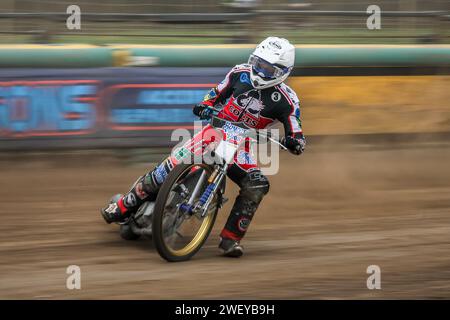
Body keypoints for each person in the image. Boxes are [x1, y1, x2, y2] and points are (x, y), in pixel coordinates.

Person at [101, 37, 306, 257]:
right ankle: (123, 206)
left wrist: (295, 142)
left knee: (257, 184)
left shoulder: (288, 100)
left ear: (283, 71)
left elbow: (297, 132)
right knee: (169, 166)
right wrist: (205, 105)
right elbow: (215, 93)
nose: (259, 70)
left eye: (267, 68)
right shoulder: (239, 72)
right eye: (257, 63)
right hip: (215, 131)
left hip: (242, 145)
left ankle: (231, 239)